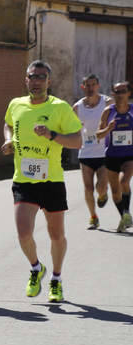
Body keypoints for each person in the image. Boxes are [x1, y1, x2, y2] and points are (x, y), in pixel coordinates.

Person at [1, 60, 82, 303]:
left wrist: (52, 135)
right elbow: (7, 123)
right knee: (23, 233)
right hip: (24, 180)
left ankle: (56, 279)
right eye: (32, 77)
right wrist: (9, 139)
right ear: (26, 79)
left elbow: (77, 141)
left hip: (52, 180)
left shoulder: (60, 108)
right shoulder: (16, 104)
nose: (36, 81)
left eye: (41, 77)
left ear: (49, 81)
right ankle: (36, 268)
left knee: (56, 235)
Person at [72, 74, 110, 230]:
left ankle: (103, 195)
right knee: (88, 188)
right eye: (87, 85)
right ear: (83, 87)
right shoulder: (77, 107)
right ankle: (93, 217)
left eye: (93, 85)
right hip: (86, 152)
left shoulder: (108, 103)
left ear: (98, 86)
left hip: (104, 152)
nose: (90, 88)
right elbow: (72, 129)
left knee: (100, 187)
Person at [96, 81, 133, 233]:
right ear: (113, 94)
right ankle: (124, 216)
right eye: (116, 92)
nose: (120, 95)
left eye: (122, 91)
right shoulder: (108, 111)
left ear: (129, 93)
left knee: (124, 181)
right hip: (111, 155)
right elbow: (98, 135)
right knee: (115, 191)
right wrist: (108, 128)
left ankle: (126, 214)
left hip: (129, 155)